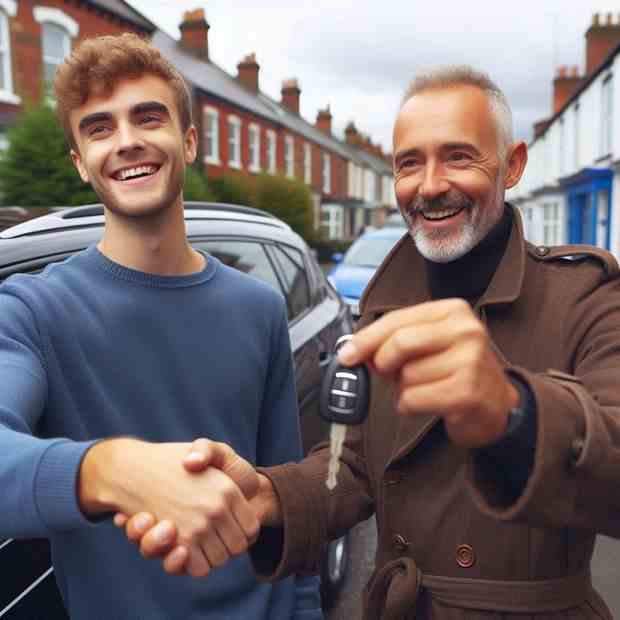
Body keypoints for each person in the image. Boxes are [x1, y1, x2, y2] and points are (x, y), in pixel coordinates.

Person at [123, 66, 620, 619]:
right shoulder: (386, 300)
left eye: (458, 156)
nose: (429, 185)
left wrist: (514, 410)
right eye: (409, 163)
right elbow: (356, 464)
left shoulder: (586, 297)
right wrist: (268, 496)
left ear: (513, 165)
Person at [0, 33, 322, 620]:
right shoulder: (31, 311)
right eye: (99, 128)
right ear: (79, 162)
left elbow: (282, 495)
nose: (126, 141)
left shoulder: (258, 307)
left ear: (189, 141)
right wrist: (112, 470)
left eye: (148, 118)